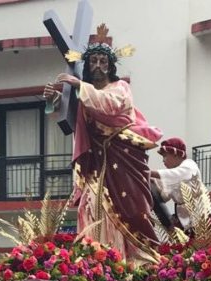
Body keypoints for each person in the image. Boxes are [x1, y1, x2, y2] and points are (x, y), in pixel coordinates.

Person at [44, 25, 162, 260]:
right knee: (90, 206)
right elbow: (74, 115)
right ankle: (96, 261)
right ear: (87, 65)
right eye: (93, 61)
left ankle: (132, 260)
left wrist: (79, 86)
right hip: (97, 165)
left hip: (124, 159)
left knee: (133, 212)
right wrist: (56, 100)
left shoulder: (120, 88)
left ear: (110, 65)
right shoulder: (83, 95)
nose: (98, 66)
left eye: (102, 61)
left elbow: (111, 105)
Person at [149, 137, 210, 231]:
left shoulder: (190, 165)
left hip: (201, 216)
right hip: (182, 218)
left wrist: (149, 173)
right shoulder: (171, 176)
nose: (163, 160)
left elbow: (176, 175)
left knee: (202, 245)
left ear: (176, 154)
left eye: (165, 156)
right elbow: (162, 196)